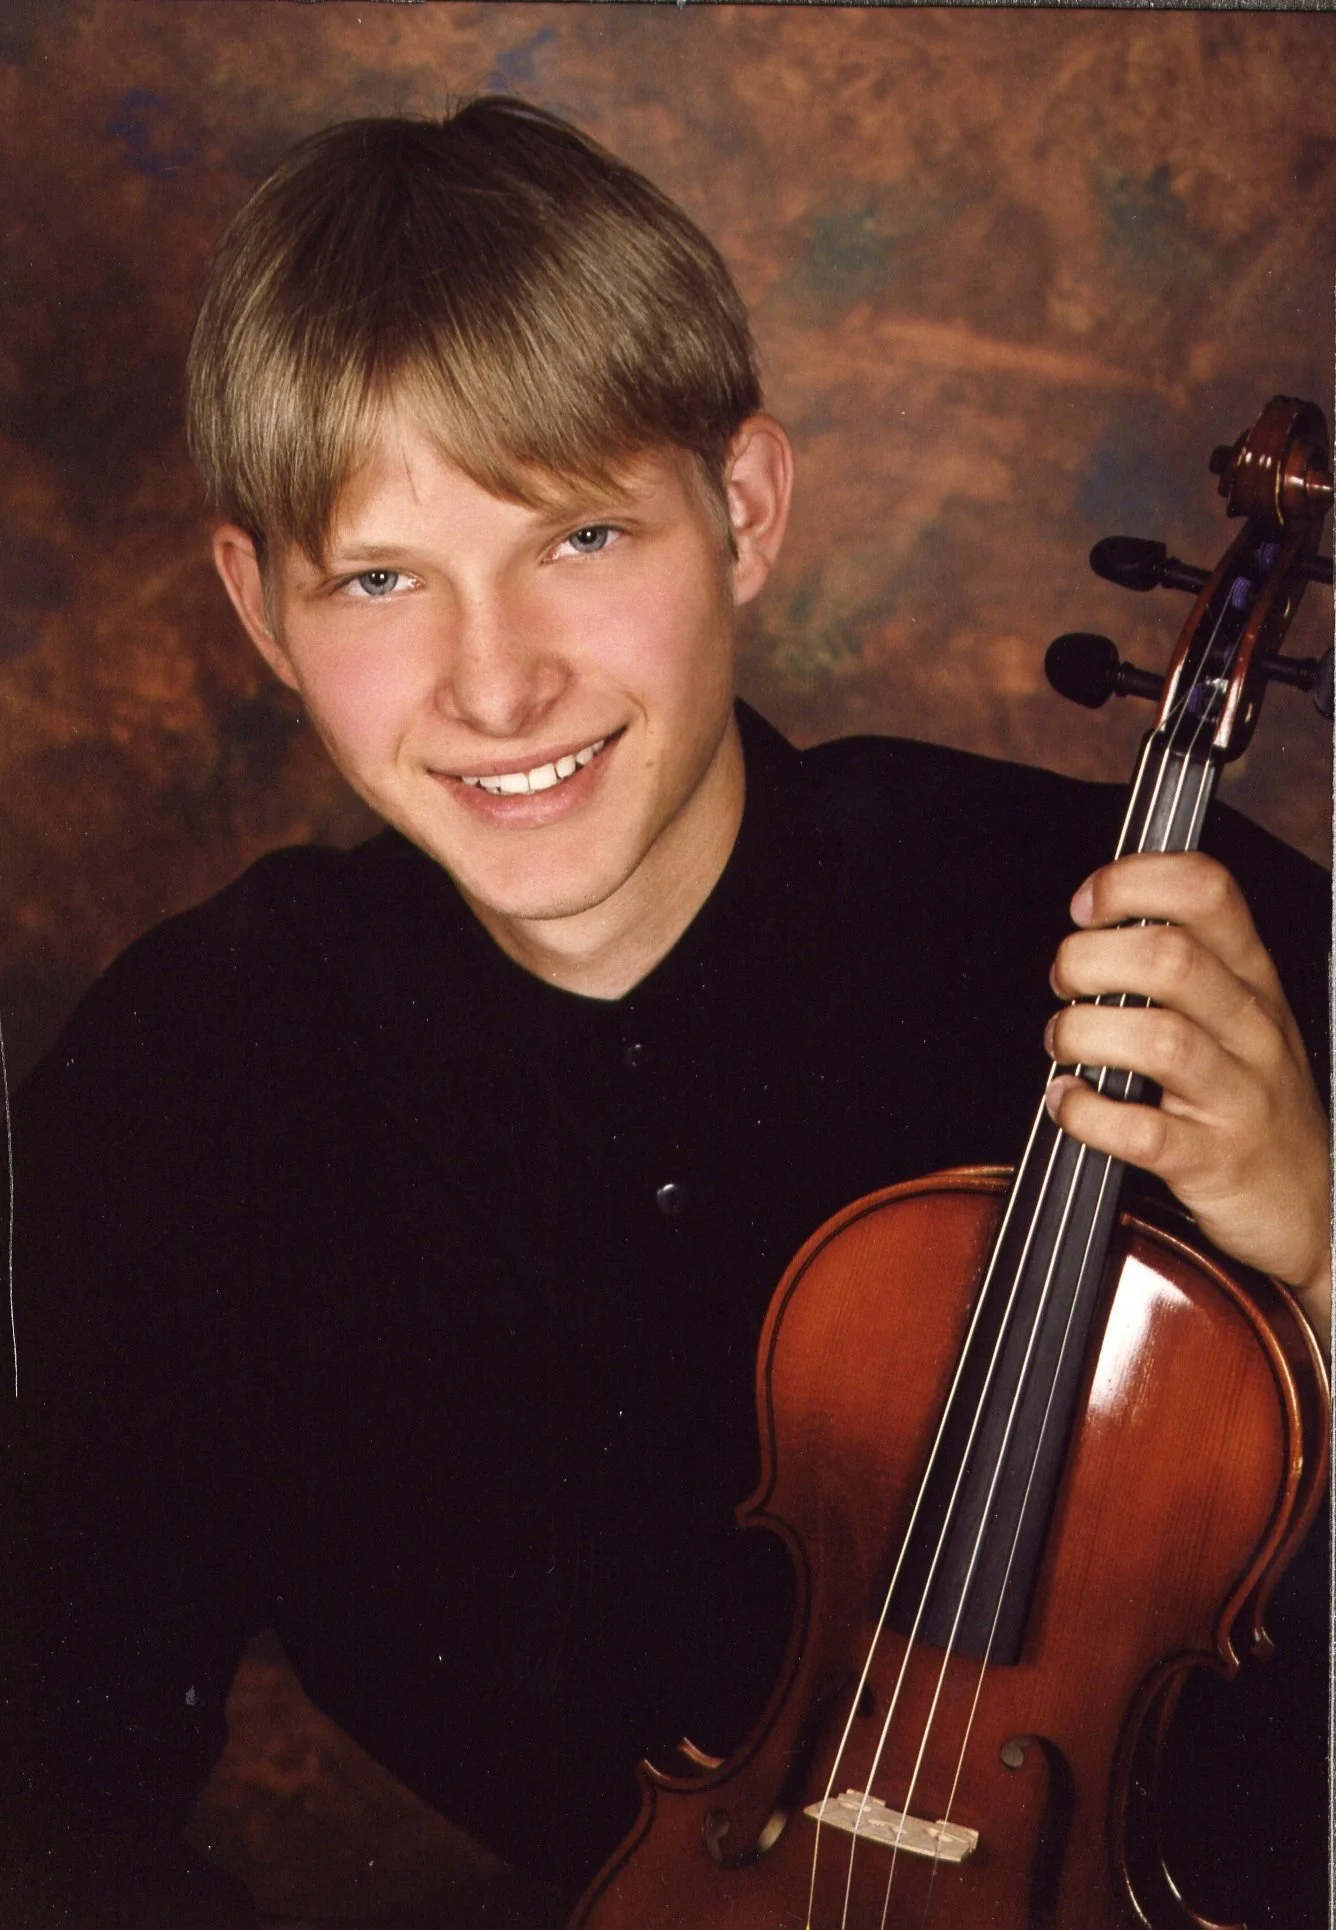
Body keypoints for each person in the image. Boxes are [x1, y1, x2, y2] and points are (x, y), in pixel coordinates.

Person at [1, 98, 1329, 1930]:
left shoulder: (1168, 942)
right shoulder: (187, 1084)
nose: (495, 679)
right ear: (261, 611)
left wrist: (1328, 1241)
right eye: (381, 577)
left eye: (581, 537)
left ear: (747, 513)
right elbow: (43, 1797)